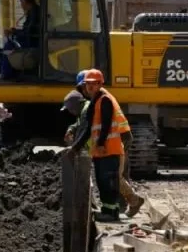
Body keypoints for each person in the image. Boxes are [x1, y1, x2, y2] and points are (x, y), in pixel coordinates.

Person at [62, 70, 145, 218]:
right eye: (88, 84)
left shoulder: (104, 100)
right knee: (104, 181)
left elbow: (106, 125)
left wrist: (100, 144)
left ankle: (112, 212)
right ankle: (110, 210)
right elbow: (88, 129)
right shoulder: (94, 102)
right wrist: (75, 148)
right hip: (101, 151)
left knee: (110, 180)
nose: (90, 87)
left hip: (110, 148)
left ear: (100, 84)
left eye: (94, 84)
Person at [0, 0, 41, 78]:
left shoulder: (34, 13)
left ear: (25, 1)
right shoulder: (33, 11)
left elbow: (29, 31)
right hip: (32, 39)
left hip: (32, 42)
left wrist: (14, 32)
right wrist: (14, 31)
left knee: (8, 46)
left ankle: (6, 74)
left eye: (21, 1)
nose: (21, 4)